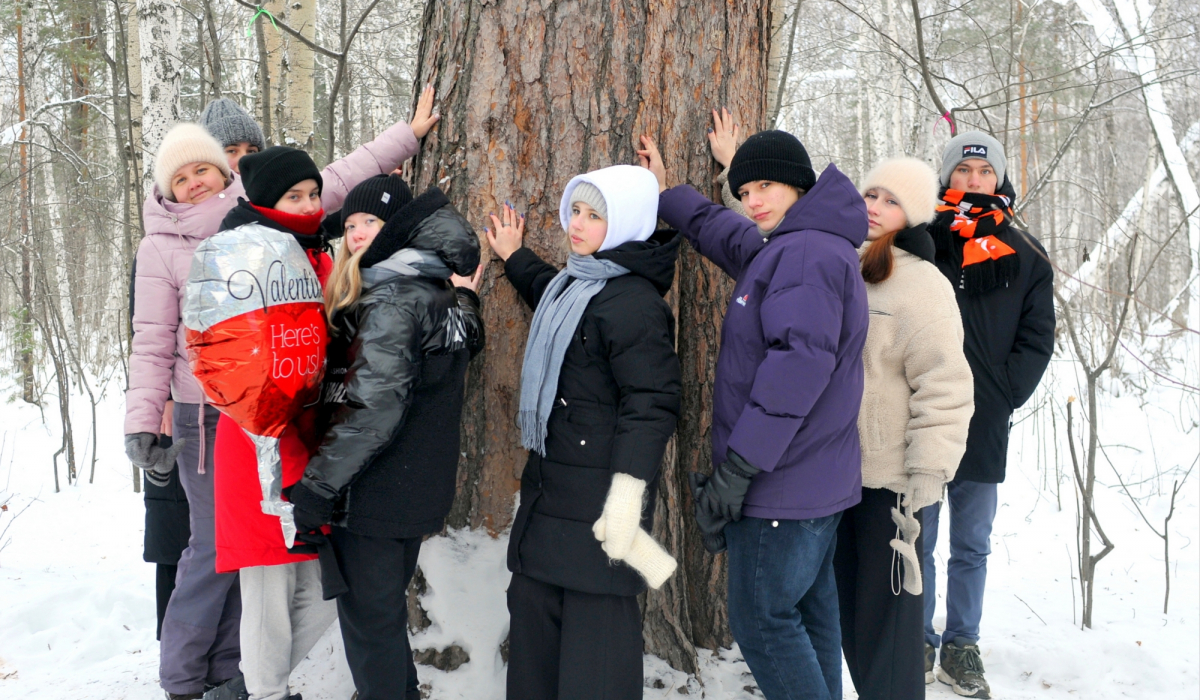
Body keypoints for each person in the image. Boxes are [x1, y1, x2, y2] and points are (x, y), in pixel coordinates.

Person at [124, 92, 440, 700]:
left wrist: (406, 134)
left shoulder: (259, 206)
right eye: (181, 177)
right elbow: (152, 339)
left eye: (204, 170)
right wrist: (145, 420)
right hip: (203, 411)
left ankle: (232, 675)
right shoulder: (160, 245)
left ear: (227, 172)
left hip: (275, 408)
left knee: (265, 551)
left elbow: (336, 176)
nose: (194, 183)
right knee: (217, 544)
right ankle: (186, 679)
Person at [640, 131, 868, 700]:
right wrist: (671, 194)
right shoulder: (801, 243)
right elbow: (735, 237)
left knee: (762, 620)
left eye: (766, 185)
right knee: (811, 617)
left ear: (799, 184)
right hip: (815, 482)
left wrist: (739, 469)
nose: (752, 200)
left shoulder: (807, 254)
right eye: (743, 189)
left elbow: (797, 371)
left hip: (781, 485)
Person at [283, 175, 484, 700]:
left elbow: (374, 407)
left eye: (369, 222)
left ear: (397, 226)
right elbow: (463, 341)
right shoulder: (431, 286)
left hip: (374, 490)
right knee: (383, 618)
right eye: (349, 225)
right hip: (411, 488)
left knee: (371, 627)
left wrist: (319, 486)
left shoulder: (391, 296)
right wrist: (469, 302)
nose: (355, 234)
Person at [487, 164, 681, 699]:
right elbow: (549, 292)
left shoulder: (636, 304)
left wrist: (626, 497)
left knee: (595, 665)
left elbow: (654, 403)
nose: (578, 224)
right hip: (551, 496)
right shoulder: (576, 286)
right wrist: (514, 257)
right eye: (575, 209)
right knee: (535, 649)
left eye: (595, 215)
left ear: (626, 225)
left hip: (599, 503)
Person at [208, 147, 347, 700]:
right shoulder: (244, 260)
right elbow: (245, 379)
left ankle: (252, 689)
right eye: (295, 197)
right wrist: (288, 464)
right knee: (268, 595)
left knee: (324, 588)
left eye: (314, 195)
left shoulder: (315, 253)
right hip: (259, 452)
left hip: (310, 450)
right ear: (266, 201)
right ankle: (265, 692)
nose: (309, 206)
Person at [833, 157, 974, 700]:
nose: (874, 207)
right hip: (830, 477)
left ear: (911, 216)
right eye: (871, 194)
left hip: (890, 485)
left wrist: (926, 475)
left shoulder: (923, 286)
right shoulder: (839, 263)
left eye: (891, 201)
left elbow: (945, 386)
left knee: (887, 632)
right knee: (845, 618)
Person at [921, 131, 1054, 699]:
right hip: (921, 414)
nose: (973, 180)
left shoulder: (1024, 255)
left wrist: (1003, 395)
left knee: (971, 542)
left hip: (983, 418)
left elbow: (1037, 338)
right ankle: (916, 641)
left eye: (982, 171)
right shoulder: (921, 241)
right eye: (962, 170)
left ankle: (961, 645)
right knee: (916, 538)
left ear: (997, 179)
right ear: (946, 178)